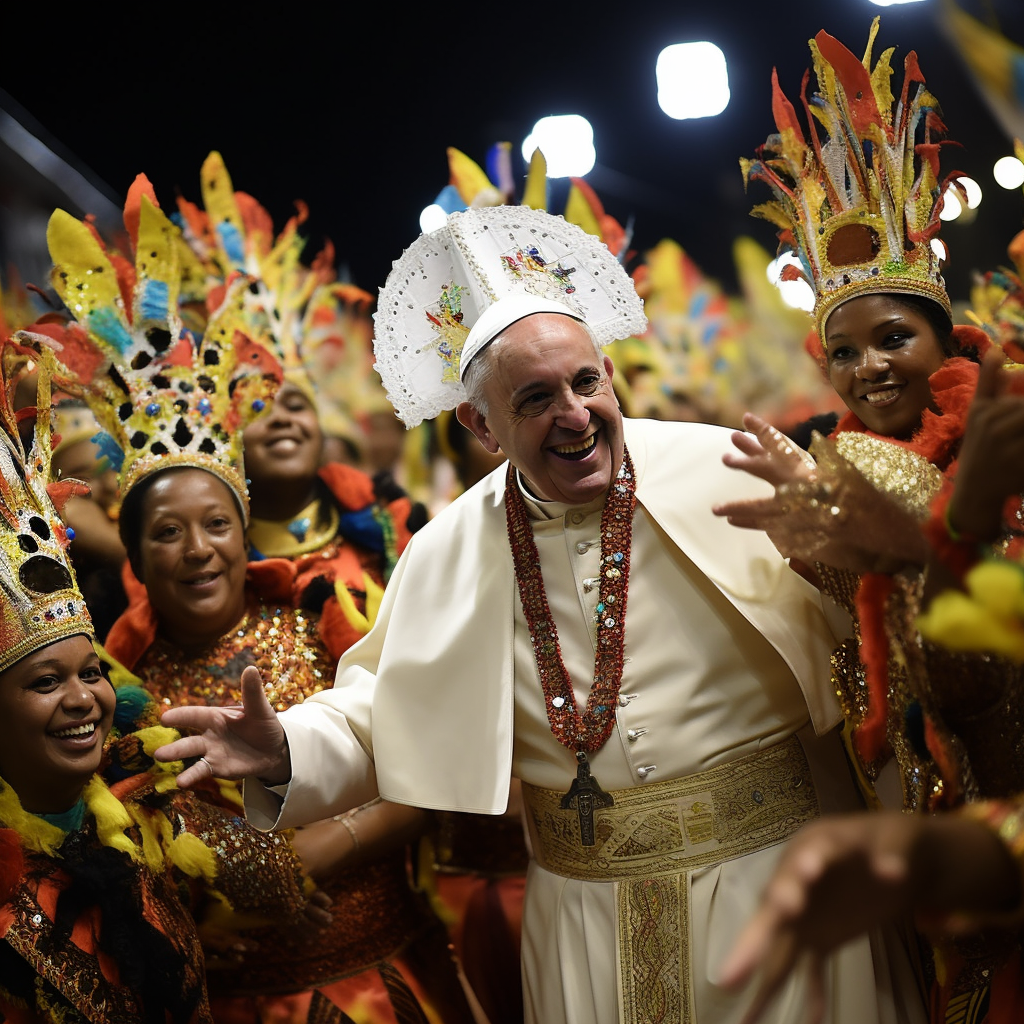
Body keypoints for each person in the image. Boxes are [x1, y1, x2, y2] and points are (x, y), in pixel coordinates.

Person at [155, 204, 925, 1024]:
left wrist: (854, 556)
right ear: (481, 424)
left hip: (780, 879)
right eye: (535, 399)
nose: (574, 413)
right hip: (586, 921)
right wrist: (284, 750)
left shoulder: (728, 466)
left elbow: (878, 643)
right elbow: (383, 715)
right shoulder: (447, 547)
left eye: (586, 381)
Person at [44, 191, 478, 1024]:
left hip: (384, 980)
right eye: (168, 533)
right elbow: (106, 853)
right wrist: (190, 917)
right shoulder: (117, 691)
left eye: (217, 525)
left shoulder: (329, 624)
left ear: (249, 539)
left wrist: (312, 851)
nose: (198, 549)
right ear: (134, 560)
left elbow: (439, 766)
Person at [711, 19, 1024, 1021]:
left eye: (892, 337)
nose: (867, 367)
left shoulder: (1006, 437)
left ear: (943, 331)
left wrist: (926, 537)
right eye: (840, 354)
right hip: (916, 798)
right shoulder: (833, 468)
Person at [0, 334, 320, 1023]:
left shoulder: (135, 782)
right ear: (134, 560)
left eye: (90, 673)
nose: (83, 697)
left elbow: (270, 879)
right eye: (45, 683)